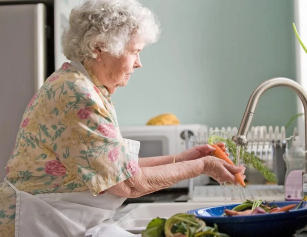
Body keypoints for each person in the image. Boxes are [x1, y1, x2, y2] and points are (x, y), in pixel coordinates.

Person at [0, 0, 245, 236]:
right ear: (99, 48)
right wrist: (203, 166)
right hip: (38, 224)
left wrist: (180, 158)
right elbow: (129, 183)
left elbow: (116, 169)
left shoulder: (81, 86)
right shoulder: (77, 95)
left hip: (56, 220)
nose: (139, 63)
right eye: (135, 52)